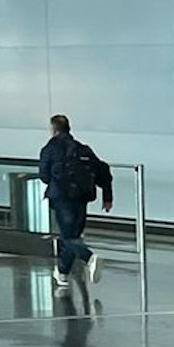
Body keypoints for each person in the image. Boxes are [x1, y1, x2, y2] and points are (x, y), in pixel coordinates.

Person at [38, 115, 113, 290]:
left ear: (53, 129)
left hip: (61, 197)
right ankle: (62, 273)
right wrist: (107, 197)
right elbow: (102, 170)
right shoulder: (82, 149)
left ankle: (89, 257)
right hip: (81, 198)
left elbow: (44, 175)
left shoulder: (50, 148)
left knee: (68, 238)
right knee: (73, 237)